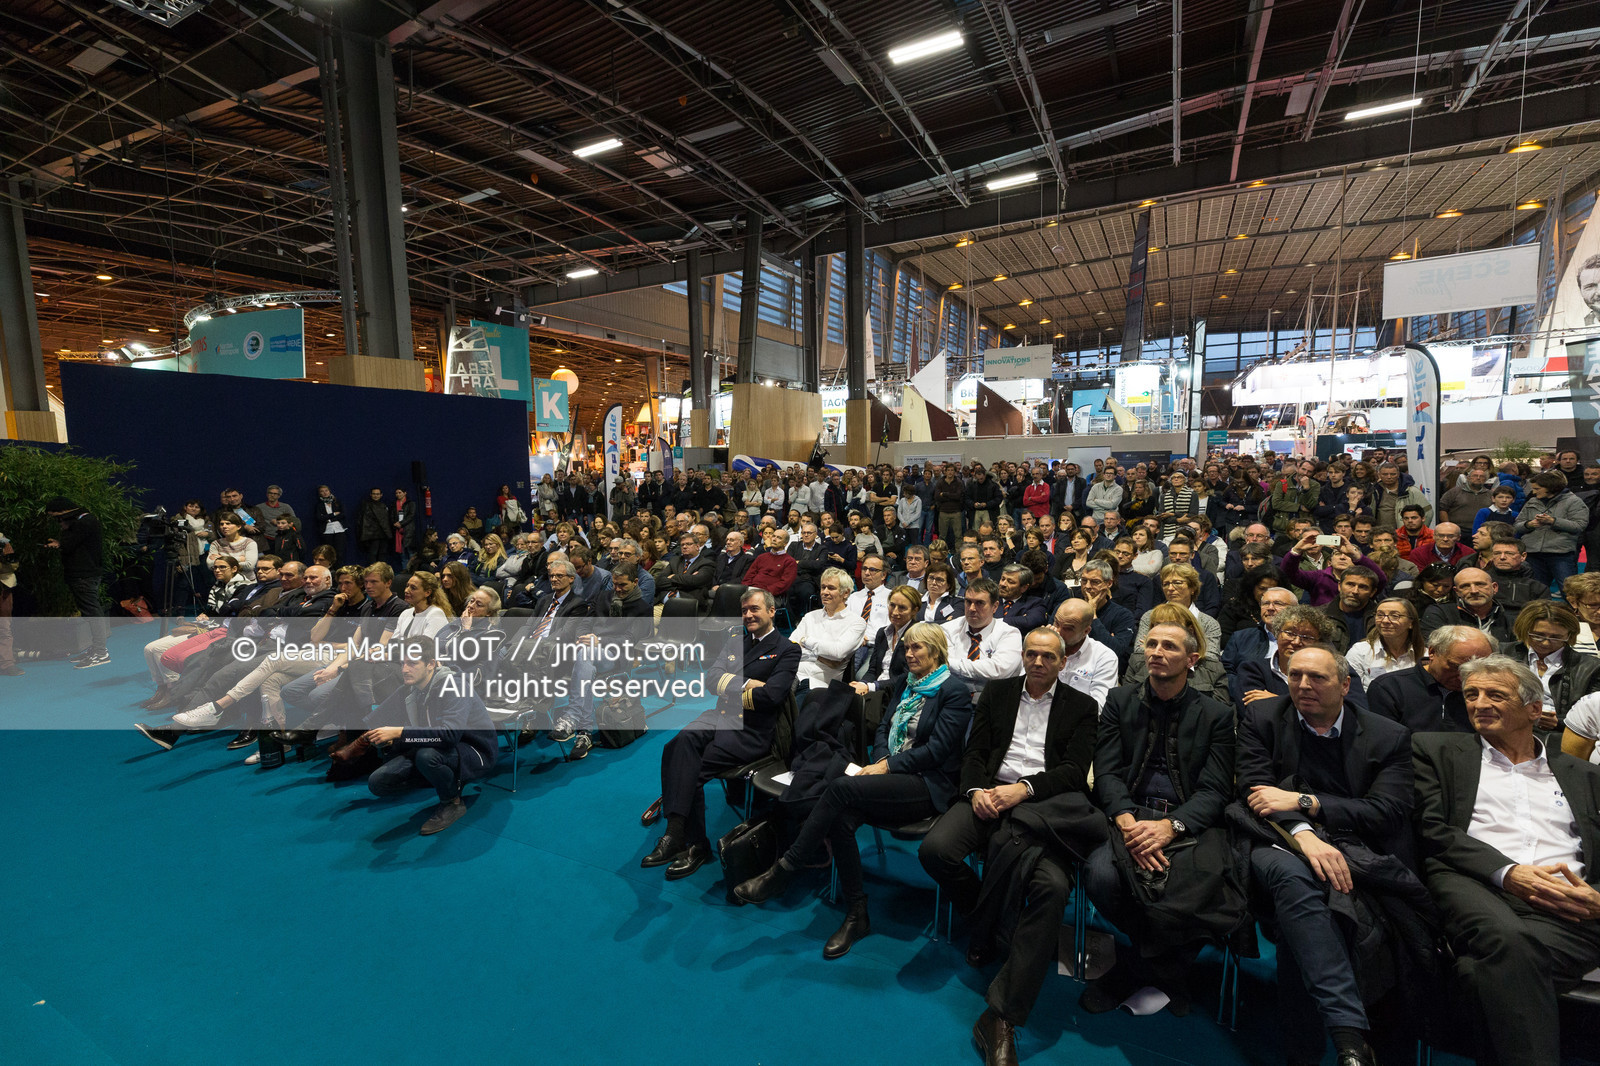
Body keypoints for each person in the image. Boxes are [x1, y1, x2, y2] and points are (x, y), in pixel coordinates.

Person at [737, 621, 972, 961]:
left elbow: (938, 750)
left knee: (840, 789)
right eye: (906, 647)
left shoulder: (954, 692)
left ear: (936, 651)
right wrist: (883, 759)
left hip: (927, 784)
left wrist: (887, 767)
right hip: (892, 777)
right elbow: (884, 729)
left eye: (917, 647)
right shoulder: (906, 683)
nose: (908, 654)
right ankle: (856, 913)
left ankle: (784, 870)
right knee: (842, 817)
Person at [913, 628, 1097, 1064]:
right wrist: (976, 790)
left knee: (1053, 887)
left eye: (1047, 656)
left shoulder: (1082, 705)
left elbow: (1073, 771)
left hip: (1042, 806)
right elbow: (975, 752)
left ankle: (1002, 1015)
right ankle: (989, 919)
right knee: (935, 850)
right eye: (1031, 654)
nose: (1037, 662)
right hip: (988, 794)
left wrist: (1025, 789)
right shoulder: (997, 693)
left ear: (1063, 662)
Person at [1412, 655, 1600, 1066]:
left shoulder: (1584, 774)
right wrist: (1509, 873)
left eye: (1495, 695)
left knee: (1479, 974)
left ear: (1534, 709)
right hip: (1478, 884)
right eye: (1471, 695)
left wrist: (1597, 898)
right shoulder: (1436, 750)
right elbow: (1432, 829)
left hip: (1569, 902)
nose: (1479, 704)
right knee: (1508, 942)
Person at [1236, 645, 1413, 1066]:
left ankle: (1310, 1048)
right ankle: (1349, 1035)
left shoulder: (1387, 735)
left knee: (1309, 910)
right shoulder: (1263, 717)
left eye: (1317, 677)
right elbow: (1256, 792)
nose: (1302, 685)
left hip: (1355, 845)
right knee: (1294, 876)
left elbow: (1388, 811)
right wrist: (1305, 835)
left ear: (1346, 685)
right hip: (1275, 837)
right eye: (1295, 675)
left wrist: (1307, 802)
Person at [1080, 622, 1237, 1015]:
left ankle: (1135, 969)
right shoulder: (1120, 700)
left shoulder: (1217, 714)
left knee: (1204, 884)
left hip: (1187, 820)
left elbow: (1215, 789)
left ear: (1192, 659)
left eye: (1169, 646)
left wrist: (1171, 827)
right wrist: (1126, 820)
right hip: (1129, 814)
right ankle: (1168, 970)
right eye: (1151, 644)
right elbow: (1108, 771)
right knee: (1101, 876)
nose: (1156, 651)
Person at [646, 588, 801, 878]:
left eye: (754, 609)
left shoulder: (787, 649)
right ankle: (679, 835)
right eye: (744, 611)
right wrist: (748, 684)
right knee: (677, 744)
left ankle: (692, 843)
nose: (748, 615)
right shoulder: (734, 642)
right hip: (718, 717)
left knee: (690, 767)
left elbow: (772, 696)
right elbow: (710, 680)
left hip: (751, 731)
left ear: (771, 611)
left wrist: (729, 686)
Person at [359, 635, 498, 835]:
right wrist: (378, 741)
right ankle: (446, 779)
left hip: (475, 752)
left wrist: (399, 732)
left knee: (427, 756)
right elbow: (374, 721)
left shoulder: (455, 685)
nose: (404, 669)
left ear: (431, 664)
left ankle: (452, 802)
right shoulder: (410, 688)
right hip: (435, 746)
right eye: (403, 663)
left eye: (412, 663)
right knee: (378, 782)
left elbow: (450, 735)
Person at [1367, 625, 1497, 734]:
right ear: (1432, 652)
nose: (1463, 677)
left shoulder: (1492, 691)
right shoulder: (1389, 688)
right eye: (1455, 667)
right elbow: (1385, 744)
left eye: (1475, 669)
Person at [1508, 599, 1600, 732]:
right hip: (1508, 726)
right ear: (1525, 630)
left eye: (1556, 637)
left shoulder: (1591, 667)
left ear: (1569, 635)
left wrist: (1559, 722)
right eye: (1538, 635)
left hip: (1559, 733)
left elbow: (1593, 714)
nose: (1545, 643)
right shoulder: (1503, 653)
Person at [44, 496, 109, 668]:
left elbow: (69, 544)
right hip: (83, 574)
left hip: (84, 575)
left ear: (63, 512)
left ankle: (101, 652)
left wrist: (64, 534)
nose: (58, 522)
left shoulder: (83, 522)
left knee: (93, 613)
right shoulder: (85, 520)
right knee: (90, 612)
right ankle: (97, 649)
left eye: (57, 517)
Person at [942, 577, 1024, 698]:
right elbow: (943, 671)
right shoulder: (947, 629)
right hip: (953, 698)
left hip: (994, 700)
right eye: (968, 602)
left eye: (979, 603)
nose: (972, 608)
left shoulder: (1009, 634)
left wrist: (950, 664)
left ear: (995, 606)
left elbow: (998, 671)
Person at [791, 567, 867, 690]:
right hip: (792, 675)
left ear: (846, 593)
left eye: (831, 588)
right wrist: (821, 657)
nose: (824, 592)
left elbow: (837, 652)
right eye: (823, 587)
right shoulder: (810, 616)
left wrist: (805, 641)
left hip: (817, 685)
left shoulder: (856, 622)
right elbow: (791, 648)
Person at [1515, 470, 1589, 590]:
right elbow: (1517, 525)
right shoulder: (1532, 501)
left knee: (1569, 591)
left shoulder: (1574, 502)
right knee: (1536, 591)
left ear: (1550, 487)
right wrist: (1529, 524)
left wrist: (1553, 521)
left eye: (1537, 489)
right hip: (1533, 553)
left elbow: (1579, 525)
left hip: (1560, 553)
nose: (1533, 492)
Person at [1052, 598, 1121, 709]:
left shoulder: (1104, 657)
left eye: (1068, 628)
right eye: (1056, 622)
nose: (1058, 631)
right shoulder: (1041, 649)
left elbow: (1098, 708)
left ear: (1086, 631)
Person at [1420, 566, 1516, 645]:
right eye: (1465, 586)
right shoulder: (1440, 613)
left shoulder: (1512, 617)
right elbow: (1437, 648)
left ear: (1494, 587)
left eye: (1480, 584)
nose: (1474, 591)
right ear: (1457, 592)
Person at [1344, 597, 1424, 686]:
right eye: (1380, 615)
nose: (1385, 621)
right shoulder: (1360, 651)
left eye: (1395, 616)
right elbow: (1351, 689)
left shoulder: (1425, 655)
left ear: (1411, 623)